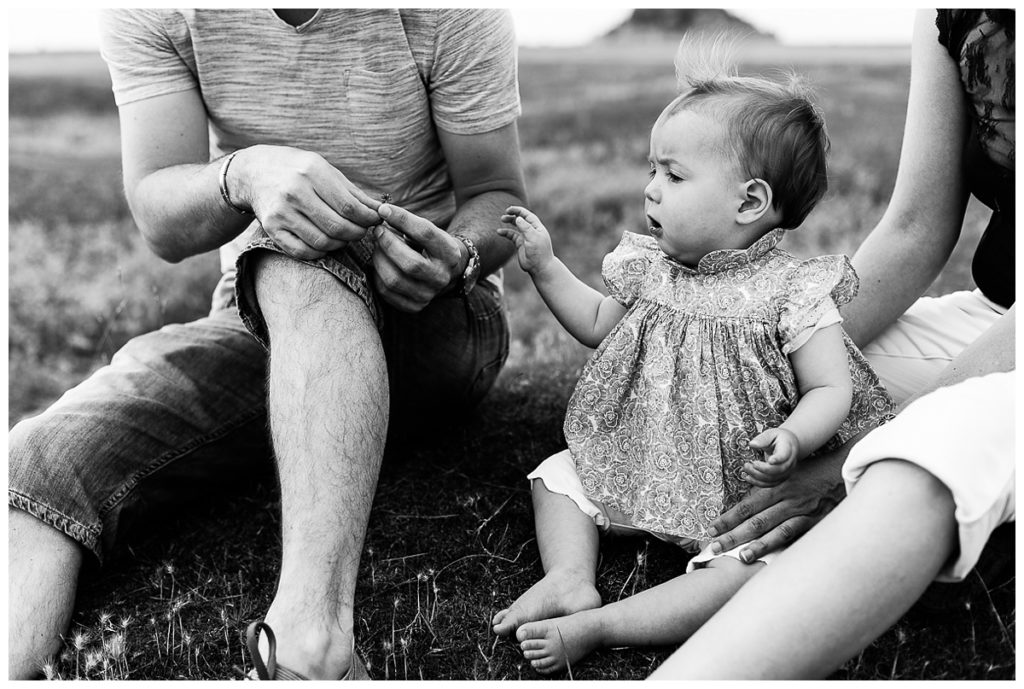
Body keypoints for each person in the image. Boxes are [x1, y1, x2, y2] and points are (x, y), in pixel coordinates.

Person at [8, 9, 526, 680]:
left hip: (440, 313)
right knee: (38, 461)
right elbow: (162, 218)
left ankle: (312, 648)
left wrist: (458, 256)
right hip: (262, 316)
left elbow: (498, 194)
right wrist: (244, 174)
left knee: (293, 255)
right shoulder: (158, 12)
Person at [489, 42, 896, 674]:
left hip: (737, 488)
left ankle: (605, 625)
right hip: (645, 456)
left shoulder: (793, 292)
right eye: (652, 171)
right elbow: (598, 324)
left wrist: (794, 436)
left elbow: (830, 390)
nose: (650, 190)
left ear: (749, 202)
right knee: (558, 476)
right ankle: (571, 577)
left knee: (749, 568)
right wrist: (545, 268)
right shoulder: (653, 270)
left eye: (674, 176)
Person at [652, 8, 1014, 679]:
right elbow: (914, 228)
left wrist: (849, 462)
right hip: (998, 310)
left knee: (921, 451)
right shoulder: (951, 13)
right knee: (781, 389)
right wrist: (768, 352)